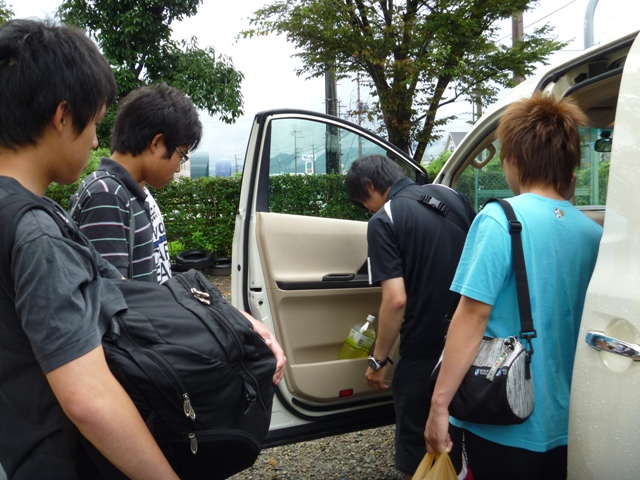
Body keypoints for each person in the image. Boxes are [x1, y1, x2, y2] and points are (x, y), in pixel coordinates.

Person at [0, 19, 285, 480]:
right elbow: (92, 390)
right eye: (94, 123)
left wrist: (234, 319)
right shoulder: (41, 231)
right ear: (62, 117)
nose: (96, 140)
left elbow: (113, 290)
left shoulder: (27, 213)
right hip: (65, 458)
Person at [424, 92, 603, 479]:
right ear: (569, 163)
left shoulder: (500, 219)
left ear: (515, 160)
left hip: (503, 416)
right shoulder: (593, 235)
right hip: (571, 419)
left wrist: (439, 405)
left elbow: (472, 317)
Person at [345, 154, 475, 479]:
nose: (368, 211)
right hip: (469, 341)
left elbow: (396, 300)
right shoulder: (452, 197)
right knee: (459, 436)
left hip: (423, 350)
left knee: (420, 447)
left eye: (364, 203)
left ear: (370, 186)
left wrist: (378, 360)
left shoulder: (383, 220)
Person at [72, 83, 202, 284]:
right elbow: (111, 293)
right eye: (181, 155)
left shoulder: (129, 192)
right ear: (156, 143)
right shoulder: (107, 196)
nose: (178, 168)